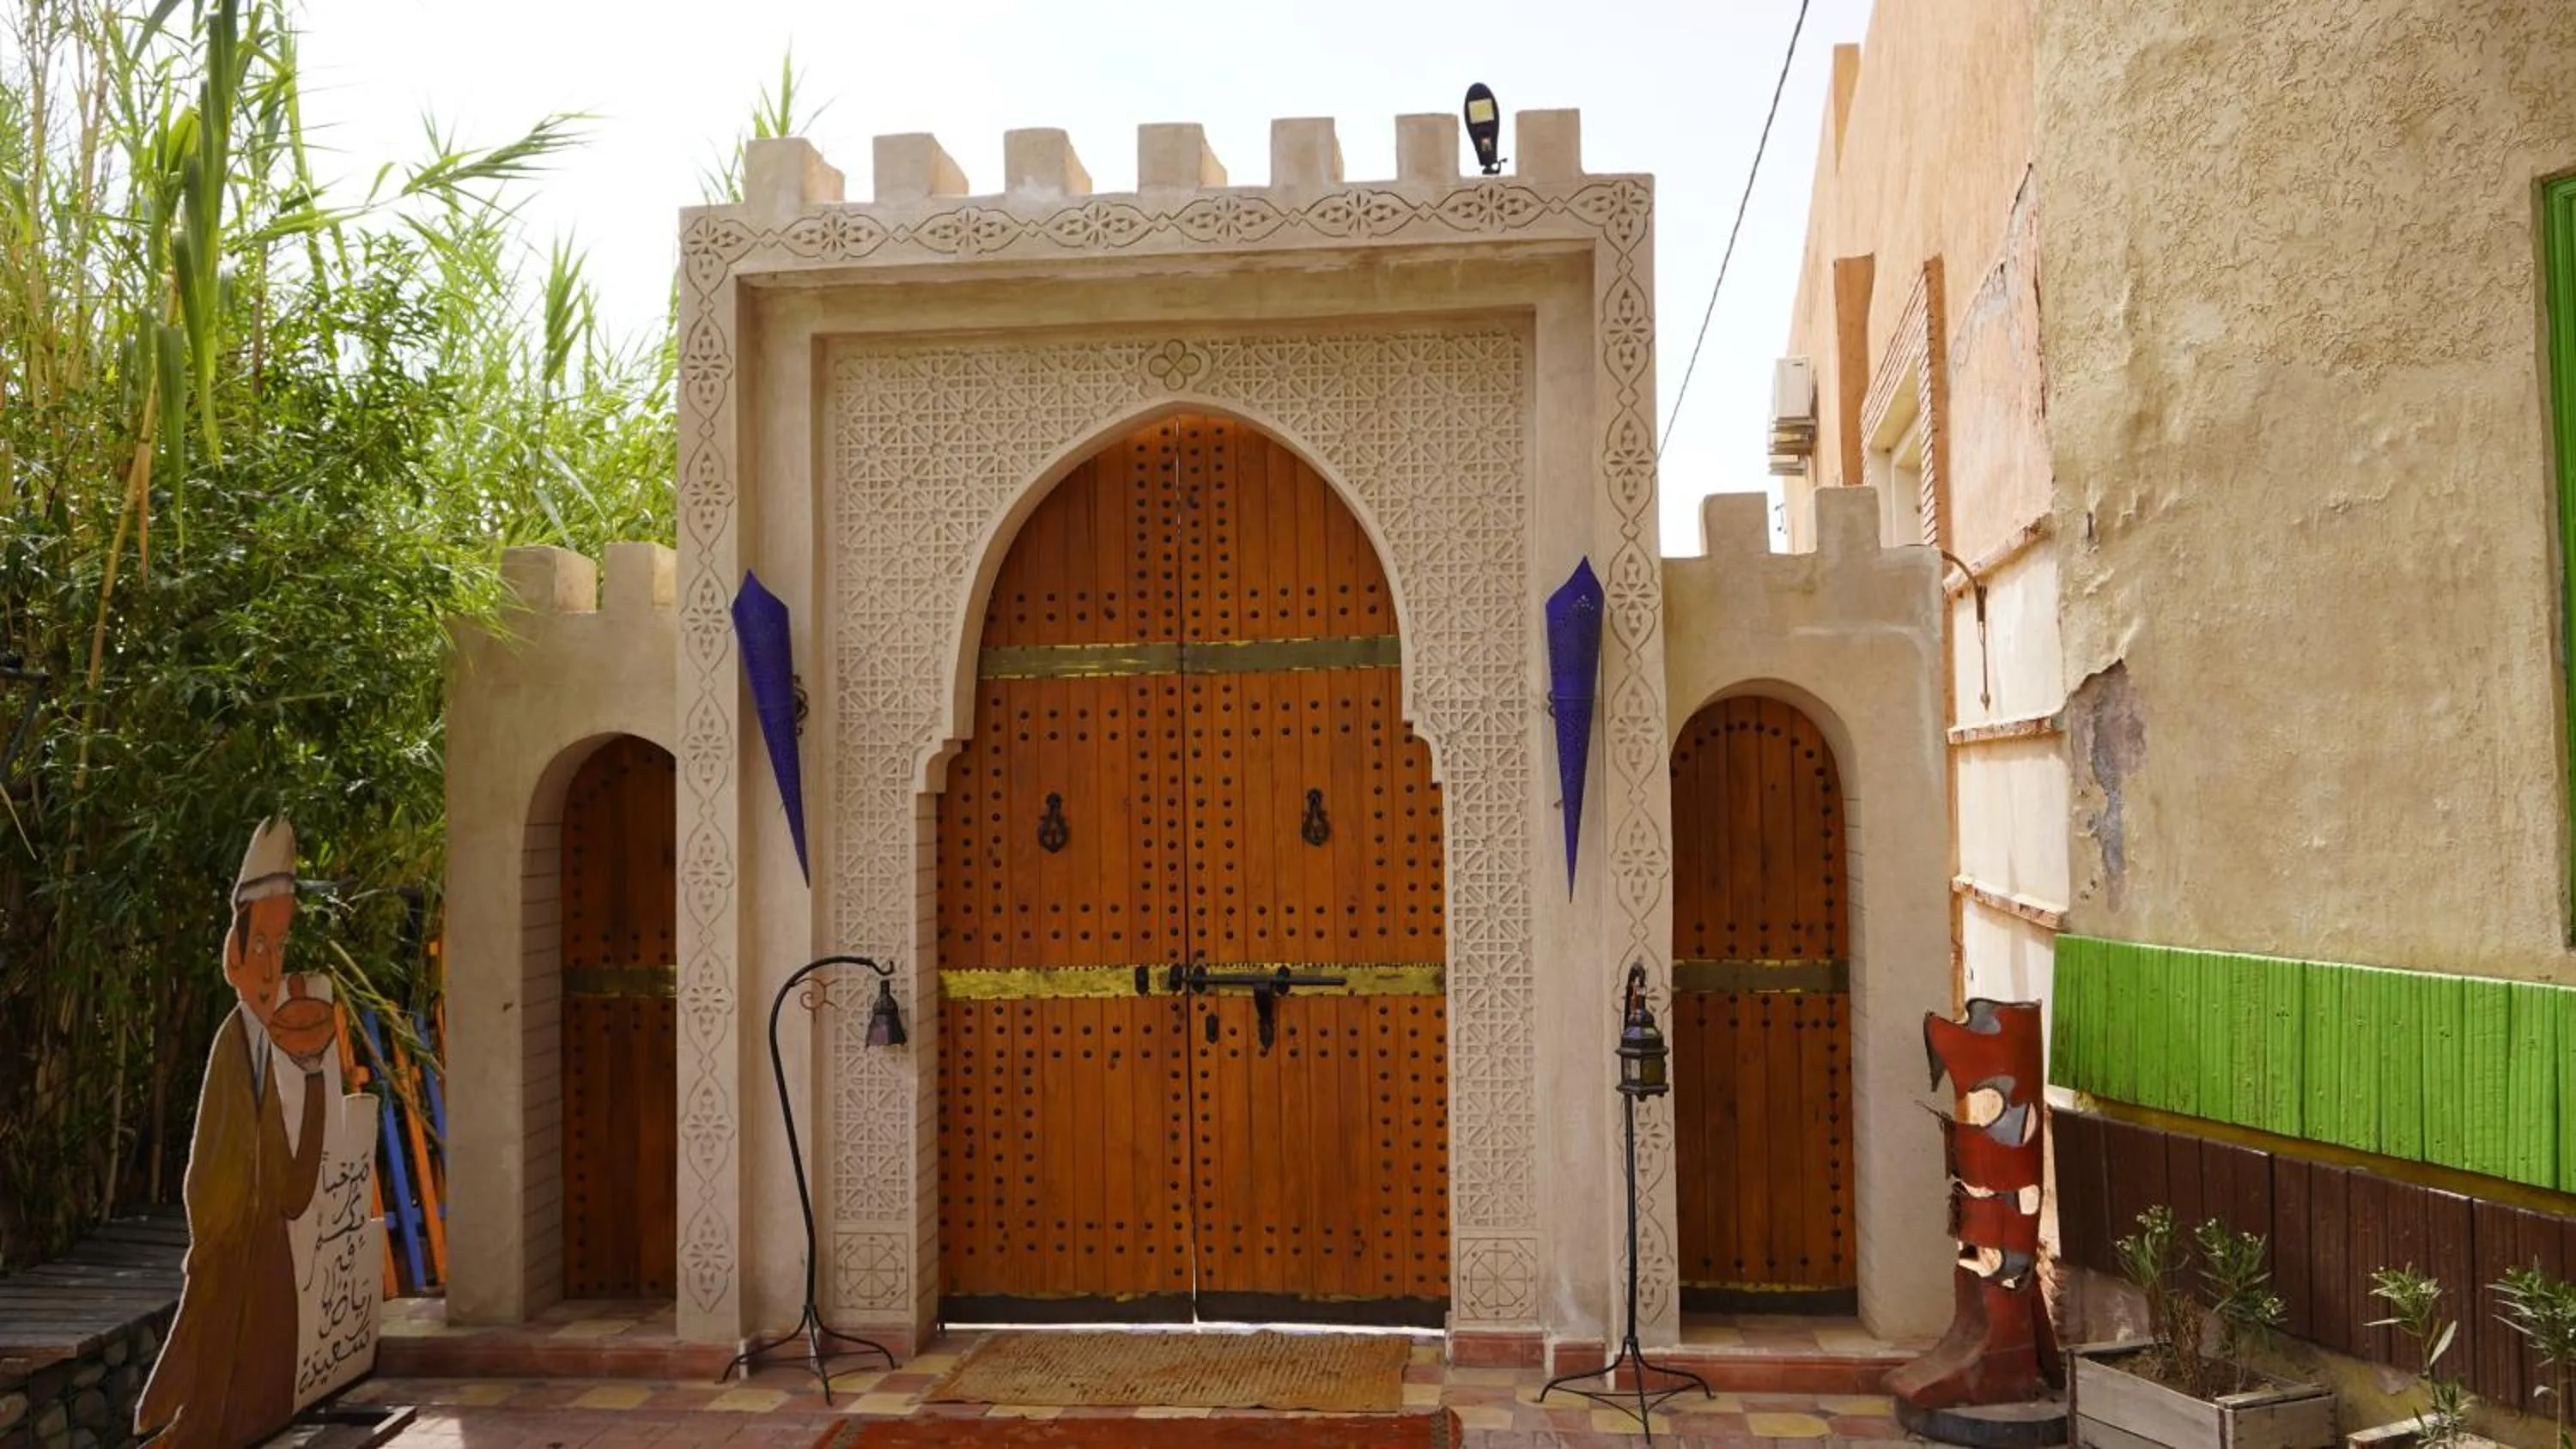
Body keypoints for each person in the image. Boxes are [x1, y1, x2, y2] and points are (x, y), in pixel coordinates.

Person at [135, 818, 329, 1449]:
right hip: (233, 1270)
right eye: (261, 947)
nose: (273, 967)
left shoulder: (269, 1052)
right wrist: (218, 1249)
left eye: (282, 942)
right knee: (206, 1416)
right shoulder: (232, 1050)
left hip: (264, 1273)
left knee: (253, 1397)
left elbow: (292, 1188)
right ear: (235, 957)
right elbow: (208, 1182)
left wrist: (317, 1076)